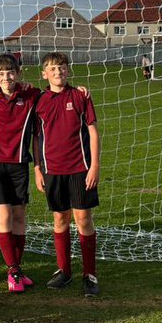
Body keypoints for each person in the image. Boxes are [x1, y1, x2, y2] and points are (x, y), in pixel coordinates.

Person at [33, 52, 101, 297]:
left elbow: (93, 132)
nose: (58, 72)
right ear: (44, 74)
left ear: (68, 71)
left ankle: (89, 274)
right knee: (60, 220)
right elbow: (36, 137)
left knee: (83, 220)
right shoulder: (38, 100)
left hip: (80, 169)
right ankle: (64, 270)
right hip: (52, 170)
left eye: (61, 67)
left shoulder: (80, 96)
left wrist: (94, 166)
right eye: (52, 68)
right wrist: (37, 168)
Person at [0, 54, 42, 293]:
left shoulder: (30, 95)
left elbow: (53, 94)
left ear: (18, 73)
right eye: (0, 73)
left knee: (19, 217)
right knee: (4, 215)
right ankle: (13, 270)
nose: (6, 78)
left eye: (10, 73)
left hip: (20, 165)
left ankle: (16, 268)